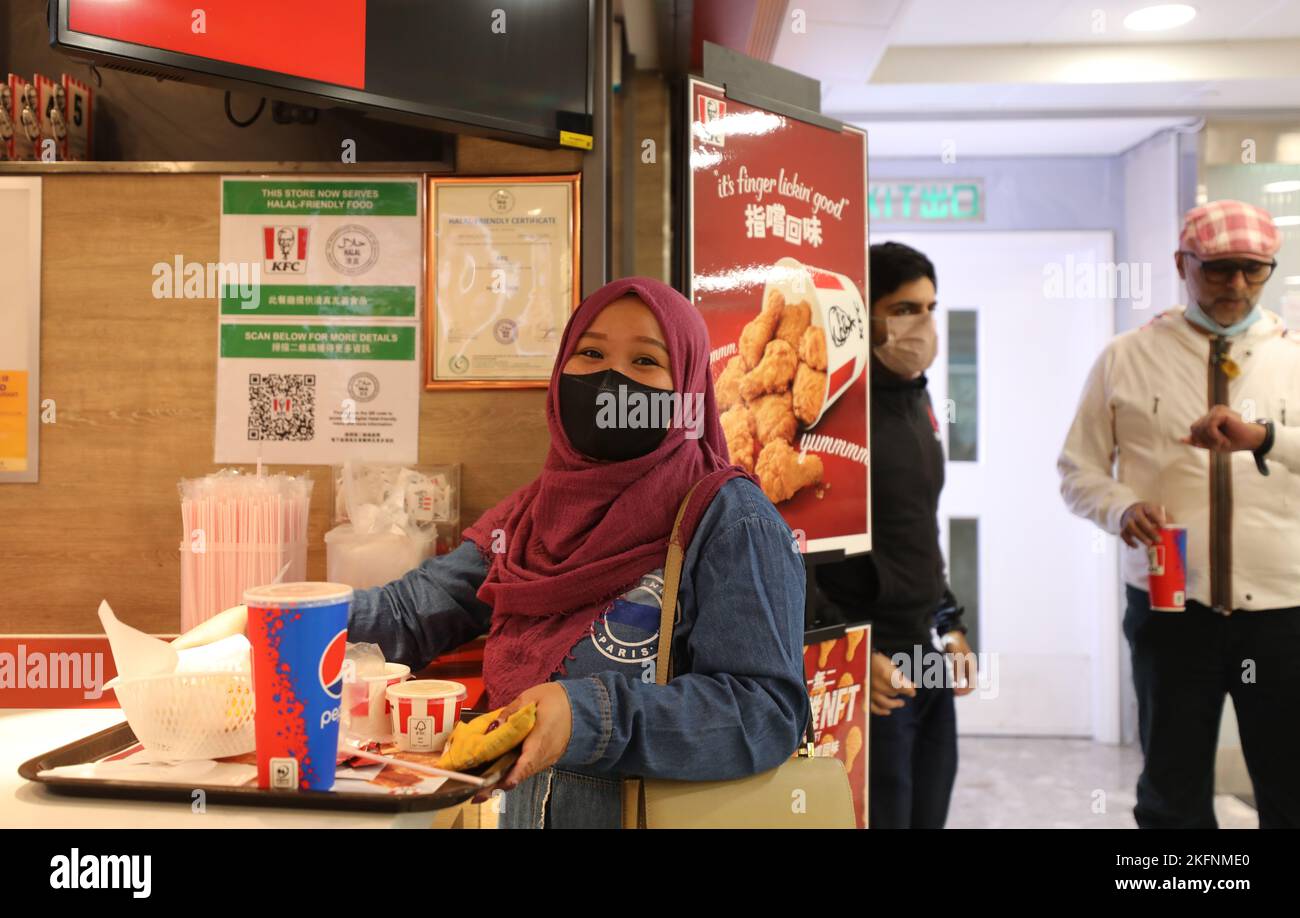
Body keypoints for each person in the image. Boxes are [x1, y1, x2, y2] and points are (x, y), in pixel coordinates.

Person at [348, 276, 810, 829]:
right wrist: (283, 618)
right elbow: (411, 613)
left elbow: (765, 712)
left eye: (645, 362)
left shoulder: (732, 522)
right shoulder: (529, 518)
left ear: (687, 390)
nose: (611, 380)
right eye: (590, 353)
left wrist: (590, 714)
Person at [1059, 200, 1300, 829]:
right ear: (1182, 264)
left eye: (1255, 270)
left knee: (1291, 786)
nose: (1238, 286)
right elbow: (1077, 469)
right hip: (1171, 613)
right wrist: (1119, 507)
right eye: (1219, 270)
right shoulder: (1127, 356)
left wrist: (1265, 438)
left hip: (1284, 613)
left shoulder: (1293, 354)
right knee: (1171, 795)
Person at [815, 241, 975, 829]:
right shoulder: (833, 407)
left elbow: (916, 527)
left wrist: (950, 622)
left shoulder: (918, 398)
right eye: (906, 309)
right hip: (866, 665)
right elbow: (796, 547)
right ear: (867, 312)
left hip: (921, 654)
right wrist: (848, 649)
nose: (924, 324)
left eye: (931, 307)